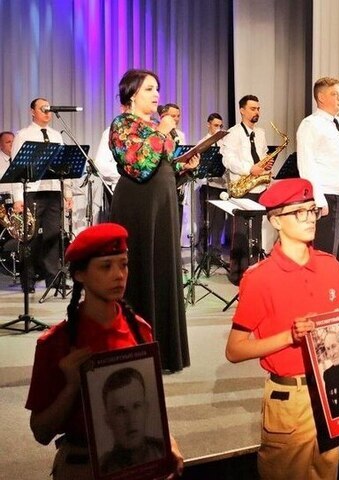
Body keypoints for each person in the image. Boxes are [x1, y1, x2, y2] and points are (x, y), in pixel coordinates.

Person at [25, 223, 183, 480]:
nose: (119, 275)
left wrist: (168, 442)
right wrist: (72, 386)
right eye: (106, 266)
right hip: (82, 464)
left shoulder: (140, 330)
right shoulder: (56, 343)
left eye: (124, 264)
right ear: (80, 275)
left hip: (138, 467)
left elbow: (150, 406)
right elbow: (41, 433)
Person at [225, 178, 339, 480]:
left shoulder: (331, 266)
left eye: (312, 210)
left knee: (328, 470)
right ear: (276, 221)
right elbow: (234, 350)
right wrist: (289, 336)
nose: (310, 219)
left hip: (329, 389)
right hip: (290, 399)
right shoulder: (259, 278)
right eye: (299, 212)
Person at [109, 69, 197, 372]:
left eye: (157, 88)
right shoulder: (122, 124)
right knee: (141, 270)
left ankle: (165, 352)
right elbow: (138, 166)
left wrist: (185, 166)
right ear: (133, 94)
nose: (156, 94)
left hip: (163, 203)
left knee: (163, 269)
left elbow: (164, 167)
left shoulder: (155, 127)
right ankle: (136, 350)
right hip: (138, 204)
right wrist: (161, 132)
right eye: (149, 89)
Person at [297, 77, 339, 267]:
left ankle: (336, 285)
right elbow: (307, 163)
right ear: (321, 97)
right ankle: (321, 287)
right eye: (334, 94)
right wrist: (318, 198)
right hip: (329, 198)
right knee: (325, 255)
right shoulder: (310, 125)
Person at [10, 98, 74, 293]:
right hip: (33, 191)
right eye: (42, 109)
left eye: (48, 109)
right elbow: (16, 166)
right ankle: (28, 280)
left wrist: (67, 192)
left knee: (53, 235)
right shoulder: (23, 135)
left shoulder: (56, 135)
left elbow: (63, 165)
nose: (47, 112)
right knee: (30, 237)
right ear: (32, 112)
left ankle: (53, 278)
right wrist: (18, 197)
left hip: (53, 190)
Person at [220, 95, 270, 285]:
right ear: (242, 110)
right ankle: (238, 274)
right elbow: (228, 160)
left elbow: (262, 154)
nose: (257, 112)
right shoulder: (232, 133)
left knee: (256, 231)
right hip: (242, 186)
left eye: (258, 108)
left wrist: (265, 166)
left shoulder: (261, 133)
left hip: (259, 186)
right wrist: (249, 169)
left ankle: (254, 270)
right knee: (240, 232)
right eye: (252, 108)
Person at [100, 367, 165, 474]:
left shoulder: (163, 450)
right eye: (120, 411)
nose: (130, 420)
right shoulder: (103, 469)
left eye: (136, 406)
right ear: (108, 420)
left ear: (146, 409)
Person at [196, 113, 228, 267]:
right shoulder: (203, 142)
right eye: (216, 125)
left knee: (219, 222)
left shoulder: (225, 143)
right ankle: (202, 255)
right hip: (207, 185)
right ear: (208, 125)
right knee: (206, 221)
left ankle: (216, 254)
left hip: (222, 186)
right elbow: (199, 166)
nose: (219, 129)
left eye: (220, 126)